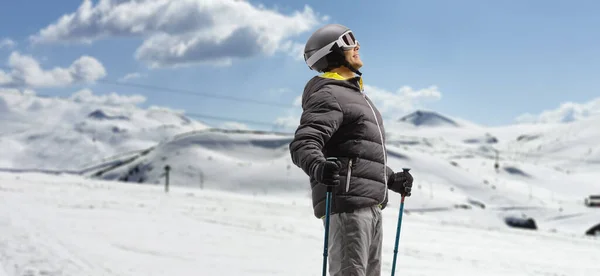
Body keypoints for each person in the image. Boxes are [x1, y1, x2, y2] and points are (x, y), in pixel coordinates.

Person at [289, 23, 414, 276]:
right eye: (348, 41)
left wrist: (391, 179)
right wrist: (318, 166)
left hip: (370, 206)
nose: (357, 46)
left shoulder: (357, 97)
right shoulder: (329, 94)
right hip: (348, 207)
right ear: (331, 53)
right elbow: (304, 143)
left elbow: (356, 152)